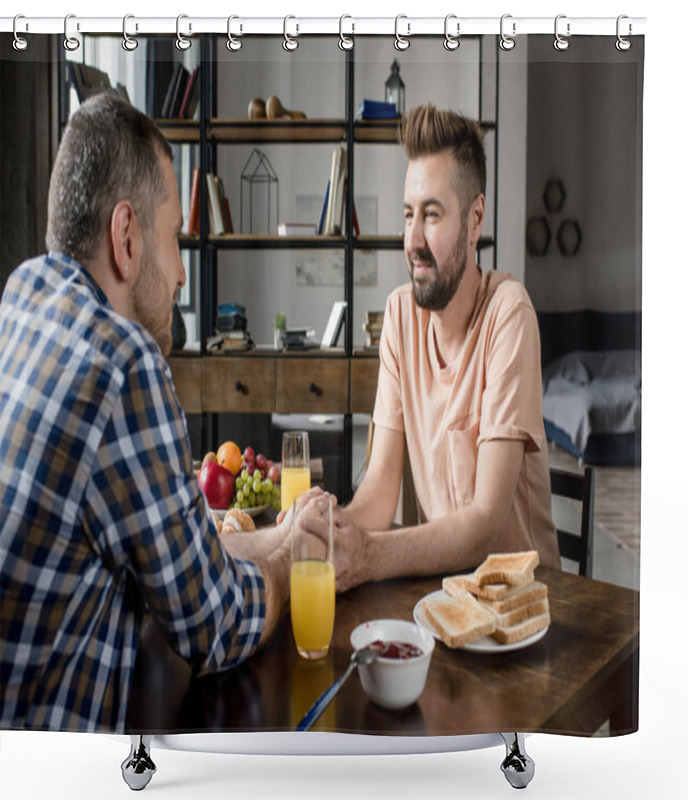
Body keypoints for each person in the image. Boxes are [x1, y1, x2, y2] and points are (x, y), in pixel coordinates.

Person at [0, 93, 322, 732]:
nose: (181, 273)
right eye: (174, 237)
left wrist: (268, 538)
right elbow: (213, 624)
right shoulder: (123, 362)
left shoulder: (22, 295)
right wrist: (292, 557)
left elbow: (172, 560)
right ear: (126, 236)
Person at [333, 104, 560, 592]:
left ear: (475, 220)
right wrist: (336, 532)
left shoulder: (509, 316)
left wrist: (369, 555)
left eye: (432, 215)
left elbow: (484, 525)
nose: (412, 239)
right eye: (408, 214)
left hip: (524, 613)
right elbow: (378, 489)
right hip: (442, 600)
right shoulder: (399, 316)